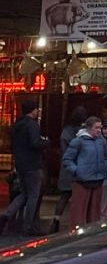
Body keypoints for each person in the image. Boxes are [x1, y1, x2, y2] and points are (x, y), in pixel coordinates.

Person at [0, 99, 49, 236]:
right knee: (33, 195)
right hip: (33, 164)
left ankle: (7, 215)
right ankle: (29, 226)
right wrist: (45, 142)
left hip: (21, 164)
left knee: (25, 193)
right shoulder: (32, 125)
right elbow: (35, 143)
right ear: (32, 110)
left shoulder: (17, 125)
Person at [62, 115, 107, 230]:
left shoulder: (101, 141)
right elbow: (67, 159)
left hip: (98, 180)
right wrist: (78, 171)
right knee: (78, 213)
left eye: (100, 128)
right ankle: (76, 235)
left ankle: (93, 234)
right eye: (96, 128)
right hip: (82, 181)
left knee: (94, 213)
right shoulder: (78, 141)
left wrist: (105, 167)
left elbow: (105, 156)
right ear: (88, 128)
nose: (99, 130)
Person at [49, 105, 87, 233]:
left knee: (64, 196)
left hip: (66, 167)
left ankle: (56, 220)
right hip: (80, 167)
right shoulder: (84, 132)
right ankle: (77, 222)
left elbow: (63, 148)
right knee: (79, 196)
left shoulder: (66, 131)